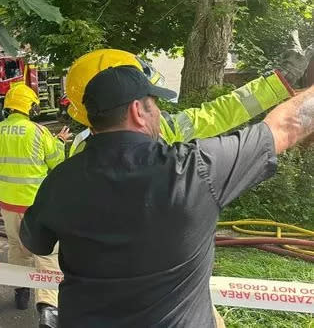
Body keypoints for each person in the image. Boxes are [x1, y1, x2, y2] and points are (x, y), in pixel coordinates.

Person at [19, 62, 314, 327]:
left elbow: (36, 242)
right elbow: (287, 127)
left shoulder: (60, 180)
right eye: (155, 104)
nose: (160, 112)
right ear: (138, 110)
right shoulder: (197, 168)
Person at [64, 48, 303, 155]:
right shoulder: (167, 134)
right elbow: (220, 114)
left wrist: (277, 84)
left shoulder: (78, 158)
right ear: (136, 109)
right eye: (152, 99)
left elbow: (219, 113)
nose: (158, 108)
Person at [0, 83, 70, 327]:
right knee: (46, 253)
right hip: (38, 205)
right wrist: (60, 141)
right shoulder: (40, 133)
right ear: (29, 107)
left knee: (17, 248)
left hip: (9, 205)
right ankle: (48, 308)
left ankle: (21, 292)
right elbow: (57, 163)